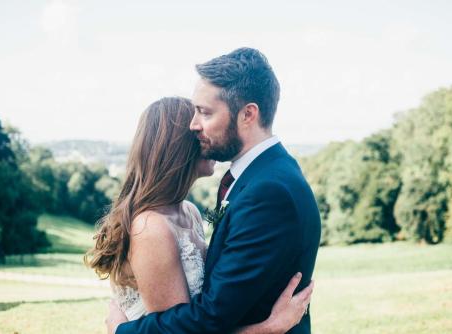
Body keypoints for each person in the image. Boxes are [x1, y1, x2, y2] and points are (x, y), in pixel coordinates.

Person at [109, 48, 322, 333]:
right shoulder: (265, 176)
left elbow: (212, 315)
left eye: (205, 113)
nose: (194, 126)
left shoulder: (267, 191)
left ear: (248, 114)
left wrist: (122, 332)